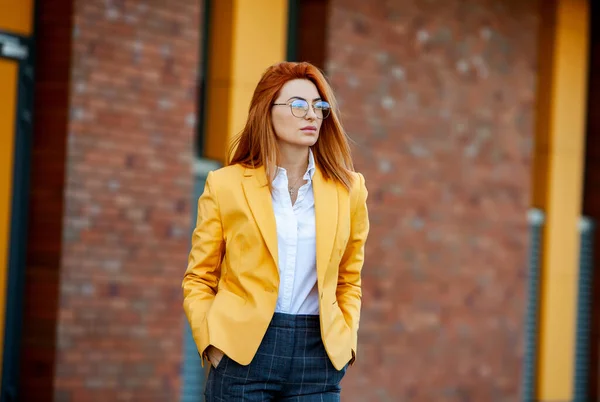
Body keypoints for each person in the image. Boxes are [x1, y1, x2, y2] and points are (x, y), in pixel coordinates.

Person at [182, 61, 369, 401]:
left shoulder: (349, 189)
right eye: (298, 105)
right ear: (267, 111)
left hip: (318, 357)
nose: (311, 115)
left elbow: (349, 278)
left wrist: (346, 341)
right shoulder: (225, 185)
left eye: (319, 106)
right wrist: (212, 342)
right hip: (242, 353)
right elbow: (199, 277)